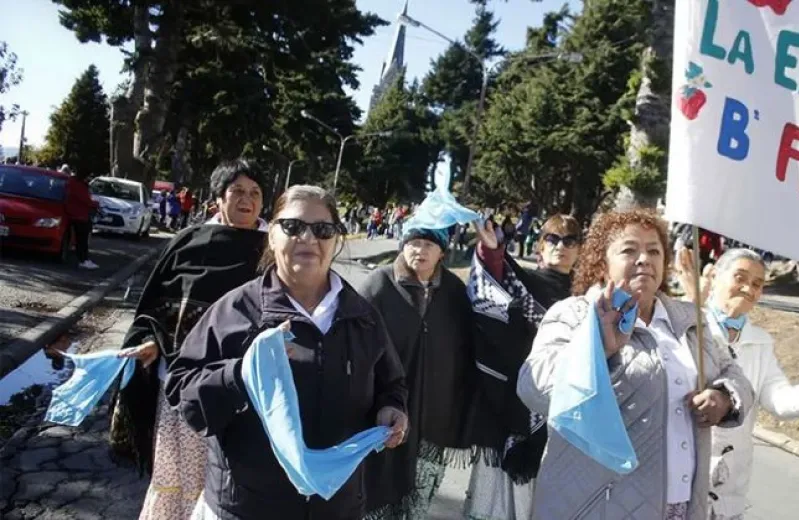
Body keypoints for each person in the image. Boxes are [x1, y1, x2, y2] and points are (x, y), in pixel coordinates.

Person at [167, 185, 409, 519]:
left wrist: (391, 409)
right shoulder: (236, 311)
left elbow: (391, 383)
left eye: (322, 229)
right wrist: (240, 374)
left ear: (336, 239)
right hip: (246, 509)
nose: (308, 238)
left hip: (337, 507)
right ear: (272, 235)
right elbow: (184, 394)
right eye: (293, 227)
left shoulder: (363, 317)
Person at [517, 209, 754, 520]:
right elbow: (534, 387)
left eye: (654, 250)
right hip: (597, 507)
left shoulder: (689, 319)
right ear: (602, 263)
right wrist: (597, 348)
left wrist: (724, 398)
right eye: (629, 250)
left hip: (681, 507)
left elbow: (734, 375)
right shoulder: (574, 314)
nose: (644, 259)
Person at [109, 160, 270, 520]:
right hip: (180, 385)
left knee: (229, 487)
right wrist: (151, 339)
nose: (247, 200)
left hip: (246, 393)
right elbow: (154, 304)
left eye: (255, 193)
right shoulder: (188, 242)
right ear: (218, 198)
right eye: (238, 191)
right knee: (175, 478)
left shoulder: (274, 251)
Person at [674, 247, 799, 520]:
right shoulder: (684, 321)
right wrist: (693, 305)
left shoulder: (760, 342)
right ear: (715, 276)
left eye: (757, 284)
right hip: (680, 481)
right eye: (740, 278)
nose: (748, 289)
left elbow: (780, 400)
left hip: (726, 493)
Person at [464, 214, 582, 520]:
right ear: (540, 246)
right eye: (553, 239)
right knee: (499, 508)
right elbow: (493, 285)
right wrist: (492, 251)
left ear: (580, 250)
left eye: (570, 240)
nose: (561, 246)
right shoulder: (523, 284)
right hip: (510, 414)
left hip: (565, 423)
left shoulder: (587, 297)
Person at [359, 223, 479, 519]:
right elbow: (355, 345)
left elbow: (467, 347)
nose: (419, 250)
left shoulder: (453, 291)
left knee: (419, 500)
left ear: (442, 251)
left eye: (428, 244)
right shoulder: (378, 284)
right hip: (385, 414)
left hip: (435, 419)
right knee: (377, 497)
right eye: (413, 242)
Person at [63, 164, 99, 270]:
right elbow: (85, 200)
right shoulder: (79, 185)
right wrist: (96, 204)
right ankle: (83, 260)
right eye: (89, 176)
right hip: (80, 215)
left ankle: (83, 259)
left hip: (74, 213)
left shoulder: (71, 182)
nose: (90, 178)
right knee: (82, 239)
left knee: (80, 238)